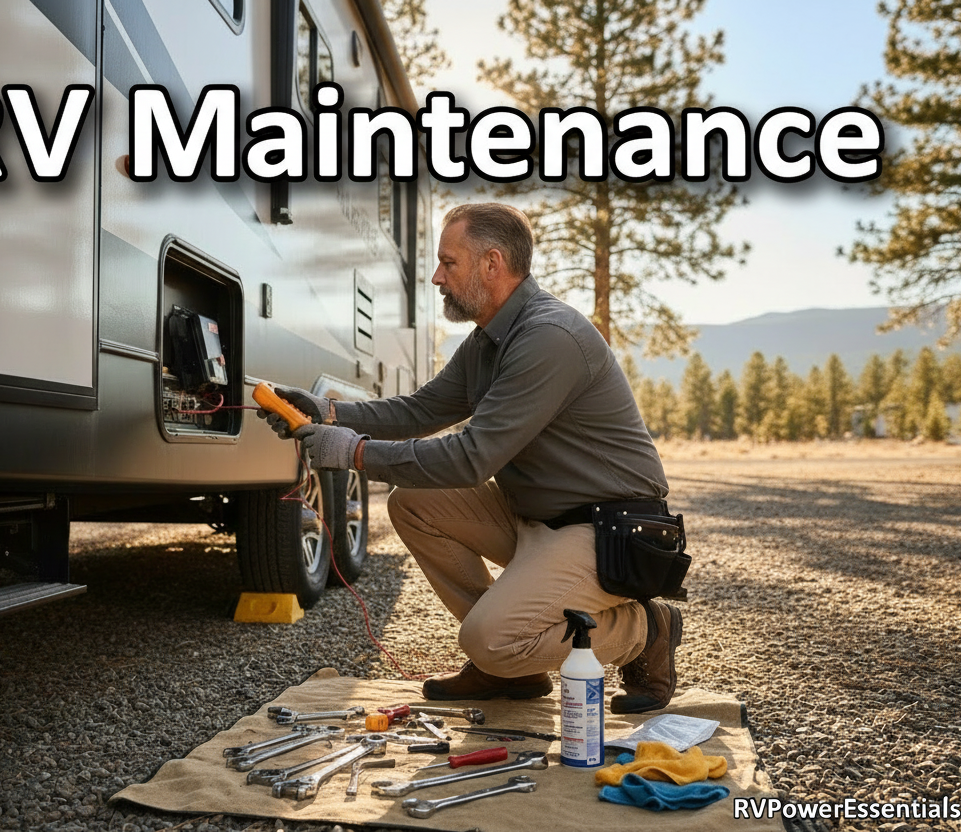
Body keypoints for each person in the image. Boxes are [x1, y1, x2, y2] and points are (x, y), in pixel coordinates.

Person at [259, 202, 682, 712]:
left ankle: (647, 629)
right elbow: (421, 409)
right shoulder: (489, 339)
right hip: (538, 519)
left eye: (448, 262)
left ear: (491, 264)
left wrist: (355, 452)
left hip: (606, 531)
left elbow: (472, 457)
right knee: (413, 502)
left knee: (489, 639)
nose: (437, 277)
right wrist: (329, 412)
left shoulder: (548, 336)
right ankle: (515, 673)